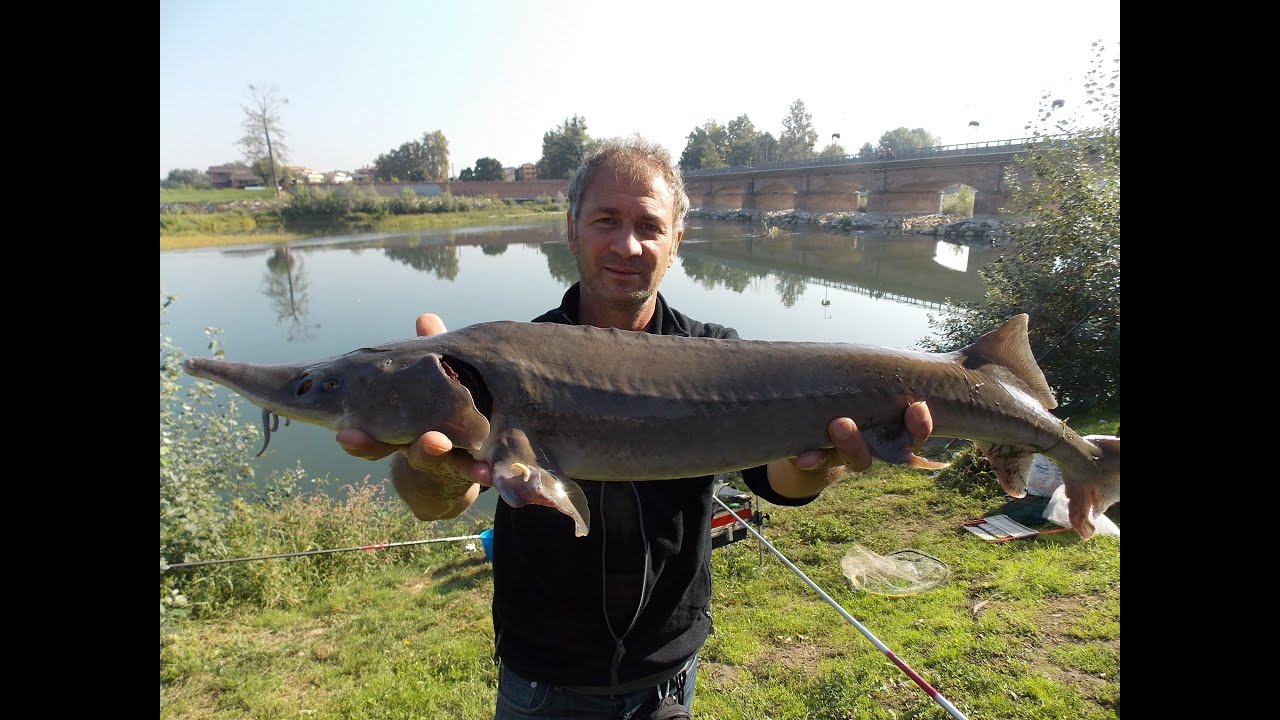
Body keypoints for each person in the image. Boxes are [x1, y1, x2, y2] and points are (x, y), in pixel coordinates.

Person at [337, 137, 932, 719]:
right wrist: (436, 469)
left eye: (649, 226)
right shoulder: (502, 361)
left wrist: (823, 458)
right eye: (606, 220)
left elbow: (778, 482)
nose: (627, 245)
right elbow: (435, 503)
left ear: (677, 241)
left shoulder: (722, 357)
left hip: (667, 675)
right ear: (572, 230)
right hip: (541, 680)